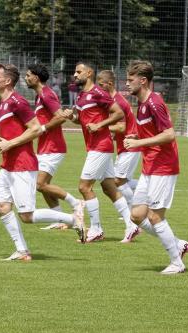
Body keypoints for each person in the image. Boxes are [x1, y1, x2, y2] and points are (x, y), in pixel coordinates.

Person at [0, 63, 85, 261]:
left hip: (22, 165)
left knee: (26, 216)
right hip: (7, 165)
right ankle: (22, 251)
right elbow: (9, 134)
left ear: (7, 81)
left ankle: (73, 219)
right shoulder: (3, 103)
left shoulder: (17, 102)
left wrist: (10, 143)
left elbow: (36, 128)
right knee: (1, 207)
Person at [123, 60, 188, 275]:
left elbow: (169, 134)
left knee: (154, 217)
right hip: (149, 167)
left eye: (130, 80)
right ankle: (178, 244)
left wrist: (138, 143)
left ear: (143, 81)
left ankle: (177, 262)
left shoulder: (154, 102)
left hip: (163, 166)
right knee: (136, 215)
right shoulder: (142, 105)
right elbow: (154, 133)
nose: (127, 84)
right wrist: (139, 135)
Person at [62, 61, 140, 244]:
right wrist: (71, 116)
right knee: (109, 187)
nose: (75, 74)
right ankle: (132, 225)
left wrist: (100, 125)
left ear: (89, 73)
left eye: (78, 71)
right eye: (75, 71)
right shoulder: (82, 97)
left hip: (101, 146)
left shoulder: (98, 93)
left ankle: (96, 229)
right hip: (95, 146)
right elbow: (80, 120)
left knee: (84, 187)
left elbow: (119, 114)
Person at [25, 63, 84, 230]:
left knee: (39, 184)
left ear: (36, 77)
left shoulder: (46, 94)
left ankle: (76, 203)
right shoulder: (40, 96)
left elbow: (60, 117)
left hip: (53, 147)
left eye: (28, 75)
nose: (26, 78)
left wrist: (43, 128)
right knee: (43, 187)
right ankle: (60, 219)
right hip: (45, 147)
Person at [96, 70, 142, 205]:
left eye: (101, 85)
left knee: (117, 181)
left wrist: (100, 127)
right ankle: (148, 187)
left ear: (109, 84)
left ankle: (134, 209)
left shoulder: (118, 102)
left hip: (131, 145)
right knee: (122, 181)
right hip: (126, 146)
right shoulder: (112, 101)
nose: (98, 89)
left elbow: (121, 127)